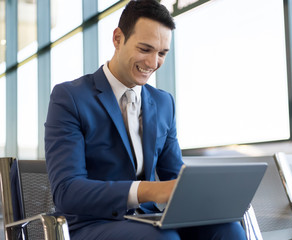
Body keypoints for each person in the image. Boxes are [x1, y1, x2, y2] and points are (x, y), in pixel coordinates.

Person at [45, 0, 247, 239]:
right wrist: (149, 190)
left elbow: (174, 176)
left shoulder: (163, 103)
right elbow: (67, 191)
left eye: (162, 53)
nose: (153, 63)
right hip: (90, 225)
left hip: (148, 220)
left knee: (229, 230)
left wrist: (208, 194)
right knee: (164, 238)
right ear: (118, 38)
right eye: (145, 49)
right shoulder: (70, 97)